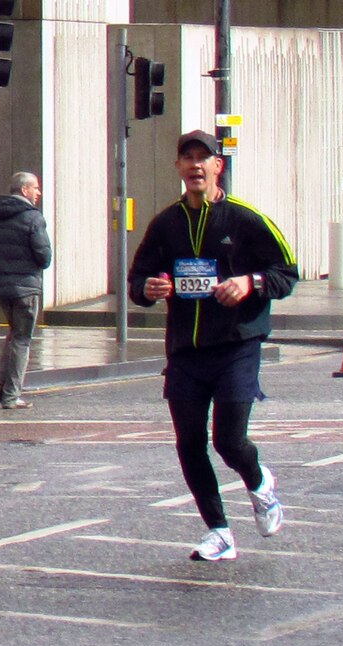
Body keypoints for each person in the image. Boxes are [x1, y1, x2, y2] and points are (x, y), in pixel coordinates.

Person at [128, 130, 299, 561]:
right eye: (187, 158)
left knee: (228, 439)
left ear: (218, 166)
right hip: (186, 350)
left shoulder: (244, 219)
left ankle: (261, 486)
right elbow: (137, 281)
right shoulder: (166, 224)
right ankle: (219, 531)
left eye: (203, 159)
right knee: (188, 442)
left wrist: (249, 282)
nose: (195, 166)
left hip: (236, 346)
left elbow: (286, 274)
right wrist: (148, 289)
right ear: (179, 169)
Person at [0, 171, 52, 410]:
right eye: (35, 188)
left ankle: (1, 384)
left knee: (14, 334)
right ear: (24, 190)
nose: (38, 193)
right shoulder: (33, 218)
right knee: (22, 339)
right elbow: (44, 256)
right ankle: (12, 394)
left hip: (1, 285)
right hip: (26, 286)